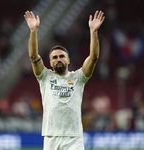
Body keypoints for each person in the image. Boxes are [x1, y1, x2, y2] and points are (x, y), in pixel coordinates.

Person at [24, 10, 105, 150]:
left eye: (61, 56)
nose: (58, 59)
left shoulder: (78, 78)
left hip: (73, 138)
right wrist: (33, 31)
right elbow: (33, 56)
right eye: (54, 57)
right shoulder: (45, 77)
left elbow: (93, 58)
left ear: (68, 60)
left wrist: (93, 32)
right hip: (51, 137)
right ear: (50, 62)